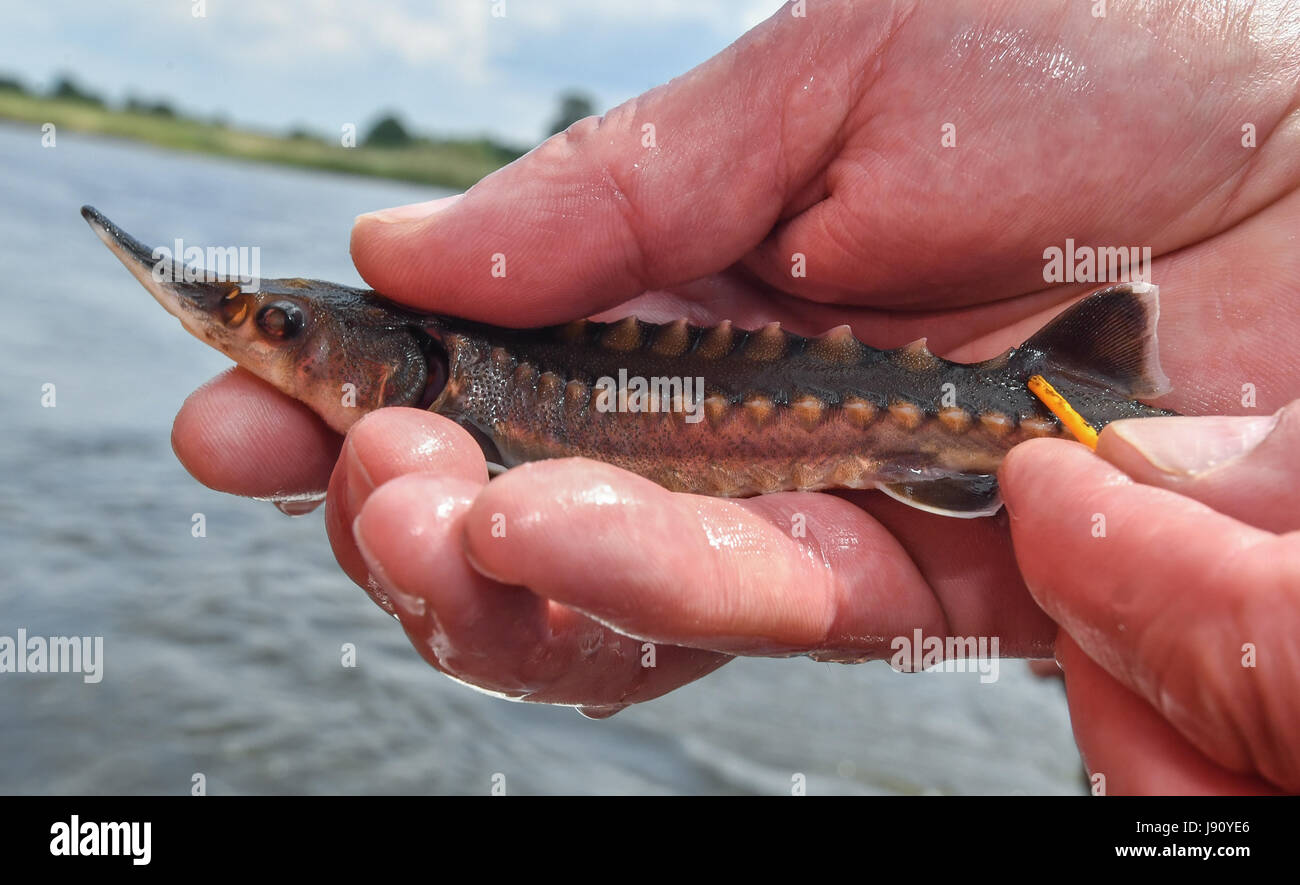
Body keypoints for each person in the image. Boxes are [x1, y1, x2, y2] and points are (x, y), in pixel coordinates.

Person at [170, 1, 1300, 793]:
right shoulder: (460, 376)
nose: (262, 341)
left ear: (399, 366)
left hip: (1034, 405)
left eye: (279, 328)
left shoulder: (465, 384)